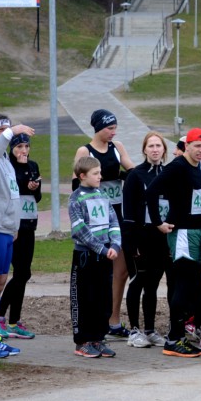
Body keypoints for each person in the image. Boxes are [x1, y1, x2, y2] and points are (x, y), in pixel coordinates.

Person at [147, 128, 201, 357]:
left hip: (196, 233)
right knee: (182, 285)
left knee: (193, 286)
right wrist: (158, 222)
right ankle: (173, 339)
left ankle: (179, 336)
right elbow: (152, 191)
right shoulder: (177, 166)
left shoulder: (196, 168)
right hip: (182, 233)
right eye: (197, 146)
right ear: (187, 146)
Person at [73, 109, 136, 338]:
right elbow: (76, 183)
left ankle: (114, 320)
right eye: (109, 128)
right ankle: (96, 323)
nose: (113, 132)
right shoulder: (85, 150)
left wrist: (127, 175)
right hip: (94, 215)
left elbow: (133, 170)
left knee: (121, 270)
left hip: (117, 211)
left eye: (114, 128)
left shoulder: (117, 147)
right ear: (98, 128)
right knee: (98, 271)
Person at [0, 113, 33, 358]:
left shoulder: (4, 159)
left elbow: (13, 195)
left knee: (0, 284)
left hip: (6, 231)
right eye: (2, 129)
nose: (9, 133)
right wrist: (10, 132)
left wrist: (14, 226)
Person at [69, 156, 122, 358]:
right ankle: (83, 341)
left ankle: (98, 339)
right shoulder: (75, 198)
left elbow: (113, 221)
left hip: (105, 255)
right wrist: (101, 248)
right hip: (85, 256)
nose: (100, 176)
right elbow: (80, 229)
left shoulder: (102, 195)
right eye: (96, 173)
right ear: (83, 176)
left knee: (103, 299)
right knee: (85, 299)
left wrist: (115, 244)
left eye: (100, 172)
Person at [122, 131, 171, 349]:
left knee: (152, 285)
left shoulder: (169, 174)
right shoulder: (135, 175)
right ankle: (134, 330)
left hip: (160, 238)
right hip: (139, 239)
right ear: (144, 150)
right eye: (150, 146)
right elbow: (128, 210)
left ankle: (150, 330)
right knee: (138, 282)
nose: (154, 149)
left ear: (163, 149)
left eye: (158, 146)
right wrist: (131, 242)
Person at [0, 133, 40, 340]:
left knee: (24, 274)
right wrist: (27, 182)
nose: (23, 150)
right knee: (17, 272)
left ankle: (14, 320)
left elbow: (37, 197)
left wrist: (35, 187)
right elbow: (12, 188)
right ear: (12, 148)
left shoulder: (33, 165)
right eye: (19, 146)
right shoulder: (7, 166)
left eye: (26, 146)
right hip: (13, 226)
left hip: (29, 224)